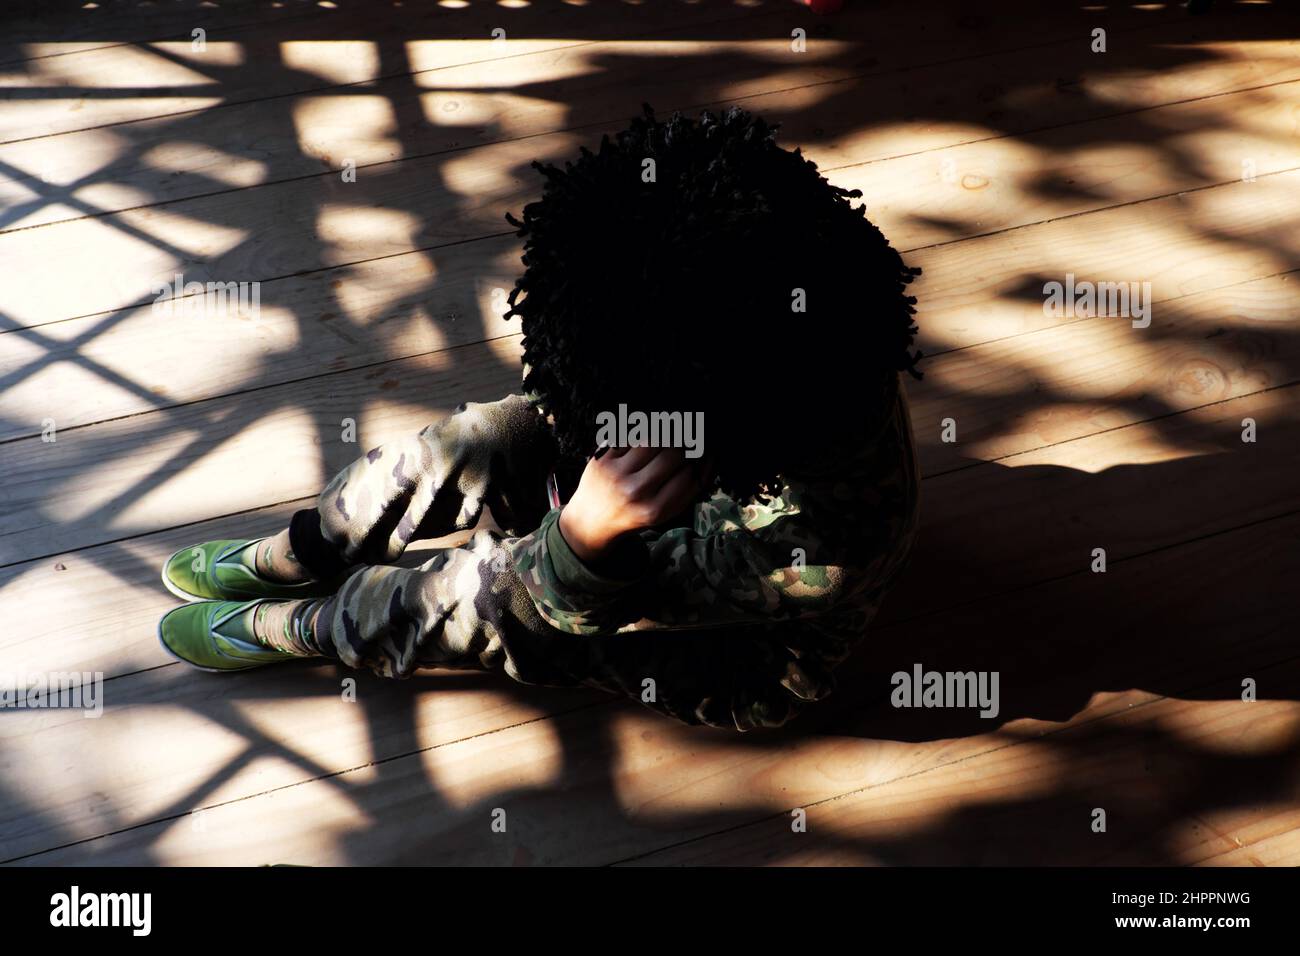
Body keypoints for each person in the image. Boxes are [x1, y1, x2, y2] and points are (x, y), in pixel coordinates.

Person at [158, 105, 923, 732]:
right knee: (483, 439)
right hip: (702, 461)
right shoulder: (792, 348)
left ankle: (315, 626)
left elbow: (564, 607)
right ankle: (312, 544)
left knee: (494, 610)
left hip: (728, 643)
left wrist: (582, 540)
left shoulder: (813, 544)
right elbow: (596, 375)